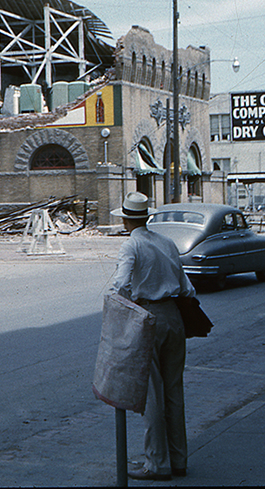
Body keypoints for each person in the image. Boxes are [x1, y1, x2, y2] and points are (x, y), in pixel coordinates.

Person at [110, 192, 197, 481]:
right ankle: (178, 458)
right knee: (174, 391)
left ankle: (157, 463)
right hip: (174, 317)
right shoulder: (167, 242)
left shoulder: (131, 245)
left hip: (148, 318)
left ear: (125, 219)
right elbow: (187, 287)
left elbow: (121, 285)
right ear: (146, 216)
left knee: (153, 396)